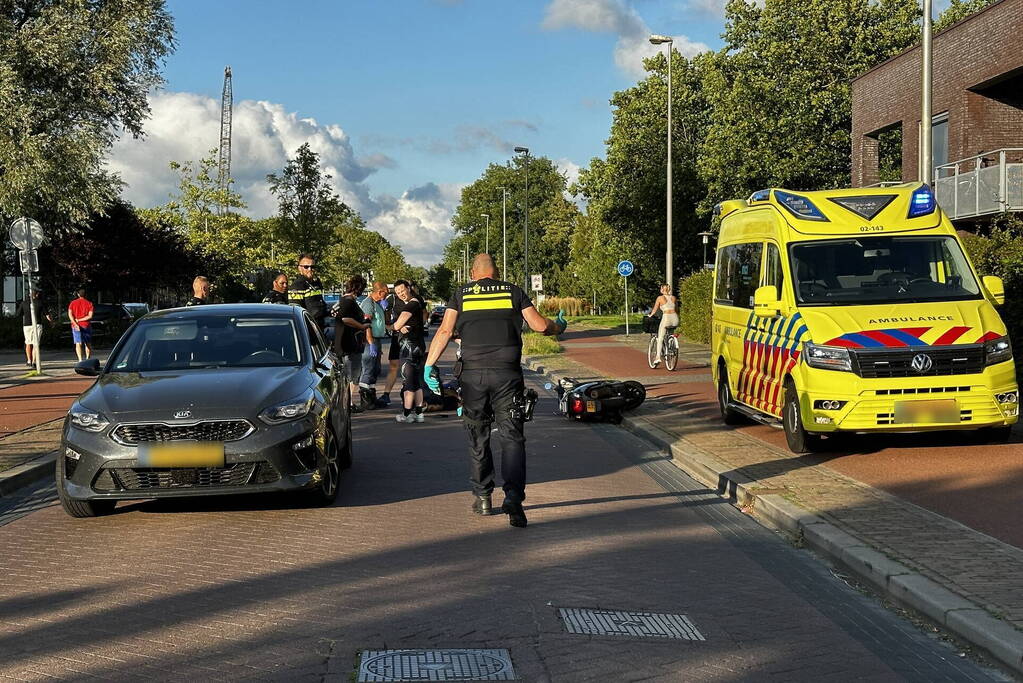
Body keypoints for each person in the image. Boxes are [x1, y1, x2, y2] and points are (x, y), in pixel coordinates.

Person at [424, 254, 567, 528]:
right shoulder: (513, 291)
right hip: (507, 374)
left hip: (473, 376)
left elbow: (444, 331)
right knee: (512, 436)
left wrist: (429, 366)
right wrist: (558, 326)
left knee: (477, 435)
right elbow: (539, 325)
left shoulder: (461, 294)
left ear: (472, 273)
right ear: (496, 273)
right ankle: (513, 500)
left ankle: (484, 498)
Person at [391, 280, 427, 423]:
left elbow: (397, 324)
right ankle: (419, 413)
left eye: (402, 290)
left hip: (410, 347)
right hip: (418, 345)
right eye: (398, 293)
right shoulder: (417, 301)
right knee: (417, 381)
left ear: (408, 288)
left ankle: (406, 414)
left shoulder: (413, 303)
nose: (401, 294)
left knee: (408, 381)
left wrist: (395, 326)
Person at [335, 275, 370, 413]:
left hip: (343, 342)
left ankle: (346, 403)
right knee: (353, 375)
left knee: (347, 375)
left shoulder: (342, 300)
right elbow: (346, 318)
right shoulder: (349, 301)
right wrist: (361, 326)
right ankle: (348, 404)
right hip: (350, 343)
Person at [358, 281, 389, 409]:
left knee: (375, 370)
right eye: (385, 293)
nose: (386, 296)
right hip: (369, 341)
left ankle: (371, 397)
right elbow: (366, 325)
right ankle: (365, 400)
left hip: (377, 340)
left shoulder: (377, 304)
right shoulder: (368, 304)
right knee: (368, 369)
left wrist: (385, 308)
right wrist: (371, 342)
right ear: (380, 292)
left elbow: (385, 321)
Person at [290, 254, 327, 329]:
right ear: (299, 268)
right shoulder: (297, 286)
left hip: (320, 326)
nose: (310, 269)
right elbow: (296, 311)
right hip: (308, 328)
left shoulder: (315, 284)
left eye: (312, 267)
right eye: (306, 267)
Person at [18, 290, 52, 367]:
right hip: (37, 324)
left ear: (29, 295)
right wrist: (52, 322)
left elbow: (18, 314)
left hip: (27, 325)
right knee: (35, 344)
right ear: (36, 295)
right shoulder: (40, 303)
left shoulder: (23, 303)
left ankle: (29, 360)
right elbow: (47, 315)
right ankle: (34, 362)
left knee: (28, 343)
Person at [649, 284, 679, 367]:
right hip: (675, 319)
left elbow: (655, 309)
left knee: (660, 337)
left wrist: (650, 315)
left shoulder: (660, 298)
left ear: (662, 289)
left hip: (666, 318)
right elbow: (677, 309)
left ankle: (658, 357)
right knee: (671, 334)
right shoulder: (673, 298)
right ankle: (671, 347)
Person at [68, 288, 94, 362]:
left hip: (75, 326)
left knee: (78, 343)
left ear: (78, 294)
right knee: (87, 343)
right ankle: (87, 359)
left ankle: (80, 360)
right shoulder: (89, 303)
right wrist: (80, 320)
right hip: (86, 325)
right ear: (85, 295)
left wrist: (75, 322)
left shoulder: (72, 303)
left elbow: (70, 314)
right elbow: (90, 316)